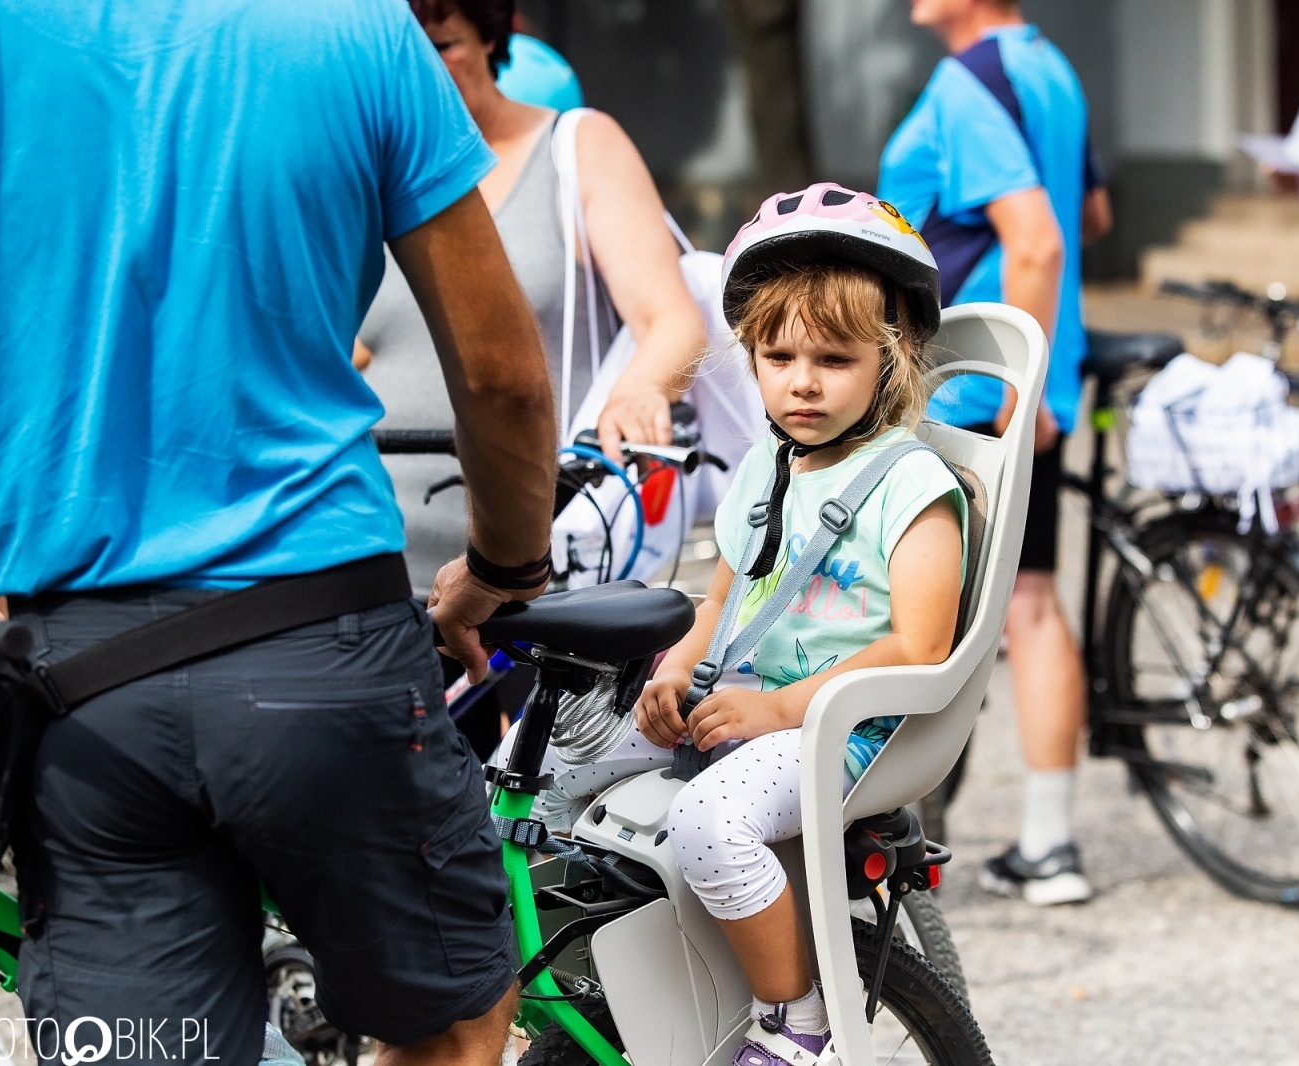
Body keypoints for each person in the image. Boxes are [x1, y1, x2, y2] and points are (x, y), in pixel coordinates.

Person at [0, 1, 559, 1063]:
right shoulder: (358, 29)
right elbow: (504, 377)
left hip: (83, 684)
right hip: (321, 642)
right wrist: (504, 565)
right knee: (453, 1023)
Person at [496, 184, 967, 1065]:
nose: (801, 382)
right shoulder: (765, 465)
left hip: (846, 729)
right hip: (747, 700)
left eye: (834, 359)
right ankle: (582, 968)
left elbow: (918, 648)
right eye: (778, 356)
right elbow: (722, 603)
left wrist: (777, 710)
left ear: (890, 360)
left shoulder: (912, 485)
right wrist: (676, 672)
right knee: (544, 755)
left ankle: (796, 1020)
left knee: (709, 820)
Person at [878, 0, 1110, 906]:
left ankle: (899, 847)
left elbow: (1041, 238)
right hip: (1039, 382)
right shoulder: (1048, 65)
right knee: (1035, 603)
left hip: (971, 387)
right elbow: (1091, 212)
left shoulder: (970, 79)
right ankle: (1048, 844)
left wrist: (1018, 386)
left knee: (928, 615)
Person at [357, 0, 706, 596]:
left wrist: (640, 391)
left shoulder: (575, 146)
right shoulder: (365, 170)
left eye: (443, 46)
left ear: (490, 38)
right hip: (372, 551)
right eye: (404, 55)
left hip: (539, 563)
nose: (425, 73)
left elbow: (671, 319)